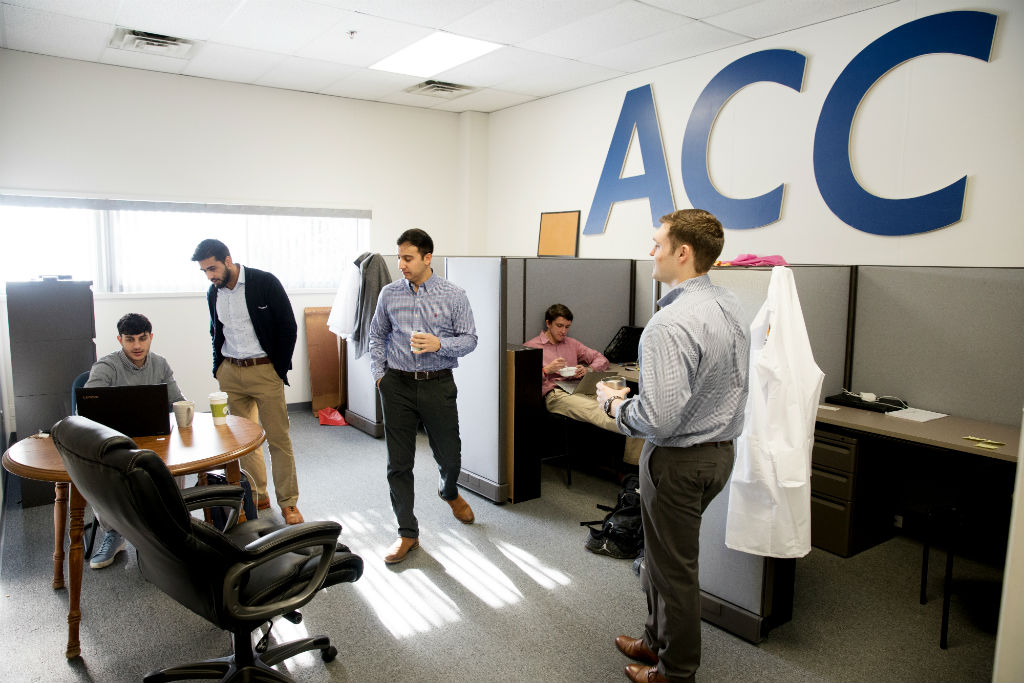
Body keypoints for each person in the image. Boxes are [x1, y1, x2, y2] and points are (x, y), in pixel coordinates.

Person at [595, 209, 749, 683]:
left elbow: (659, 419)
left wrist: (615, 408)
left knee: (674, 571)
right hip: (719, 453)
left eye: (657, 243)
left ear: (683, 253)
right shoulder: (730, 306)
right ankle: (654, 640)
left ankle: (675, 671)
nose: (651, 251)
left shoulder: (669, 323)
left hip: (679, 461)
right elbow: (712, 386)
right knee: (664, 560)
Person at [368, 228, 478, 564]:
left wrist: (440, 343)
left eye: (407, 258)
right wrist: (379, 377)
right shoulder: (389, 294)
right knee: (398, 465)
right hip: (397, 385)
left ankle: (449, 490)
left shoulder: (454, 294)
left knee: (450, 455)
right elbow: (376, 337)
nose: (400, 263)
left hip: (437, 382)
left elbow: (471, 339)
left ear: (427, 258)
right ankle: (407, 534)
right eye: (399, 256)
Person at [191, 239, 303, 525]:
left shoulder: (264, 282)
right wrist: (219, 368)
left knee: (278, 439)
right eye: (204, 271)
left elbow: (288, 327)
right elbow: (215, 331)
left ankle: (288, 503)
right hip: (231, 372)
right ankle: (256, 494)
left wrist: (279, 368)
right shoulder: (213, 292)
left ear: (228, 261)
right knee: (245, 441)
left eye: (213, 268)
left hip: (265, 371)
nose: (210, 276)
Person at [83, 312, 185, 569]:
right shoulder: (106, 366)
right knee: (96, 472)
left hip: (155, 437)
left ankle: (170, 529)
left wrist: (189, 410)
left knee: (177, 463)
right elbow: (88, 406)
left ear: (151, 337)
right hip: (115, 442)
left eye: (142, 338)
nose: (137, 346)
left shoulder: (160, 364)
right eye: (130, 340)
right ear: (120, 339)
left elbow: (177, 400)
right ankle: (113, 532)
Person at [524, 304, 643, 465]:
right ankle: (633, 448)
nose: (563, 331)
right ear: (548, 323)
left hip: (578, 387)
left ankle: (637, 448)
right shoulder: (532, 346)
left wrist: (588, 369)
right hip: (555, 394)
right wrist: (546, 369)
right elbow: (522, 378)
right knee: (599, 409)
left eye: (567, 327)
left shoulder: (571, 344)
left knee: (617, 401)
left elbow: (602, 359)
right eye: (559, 326)